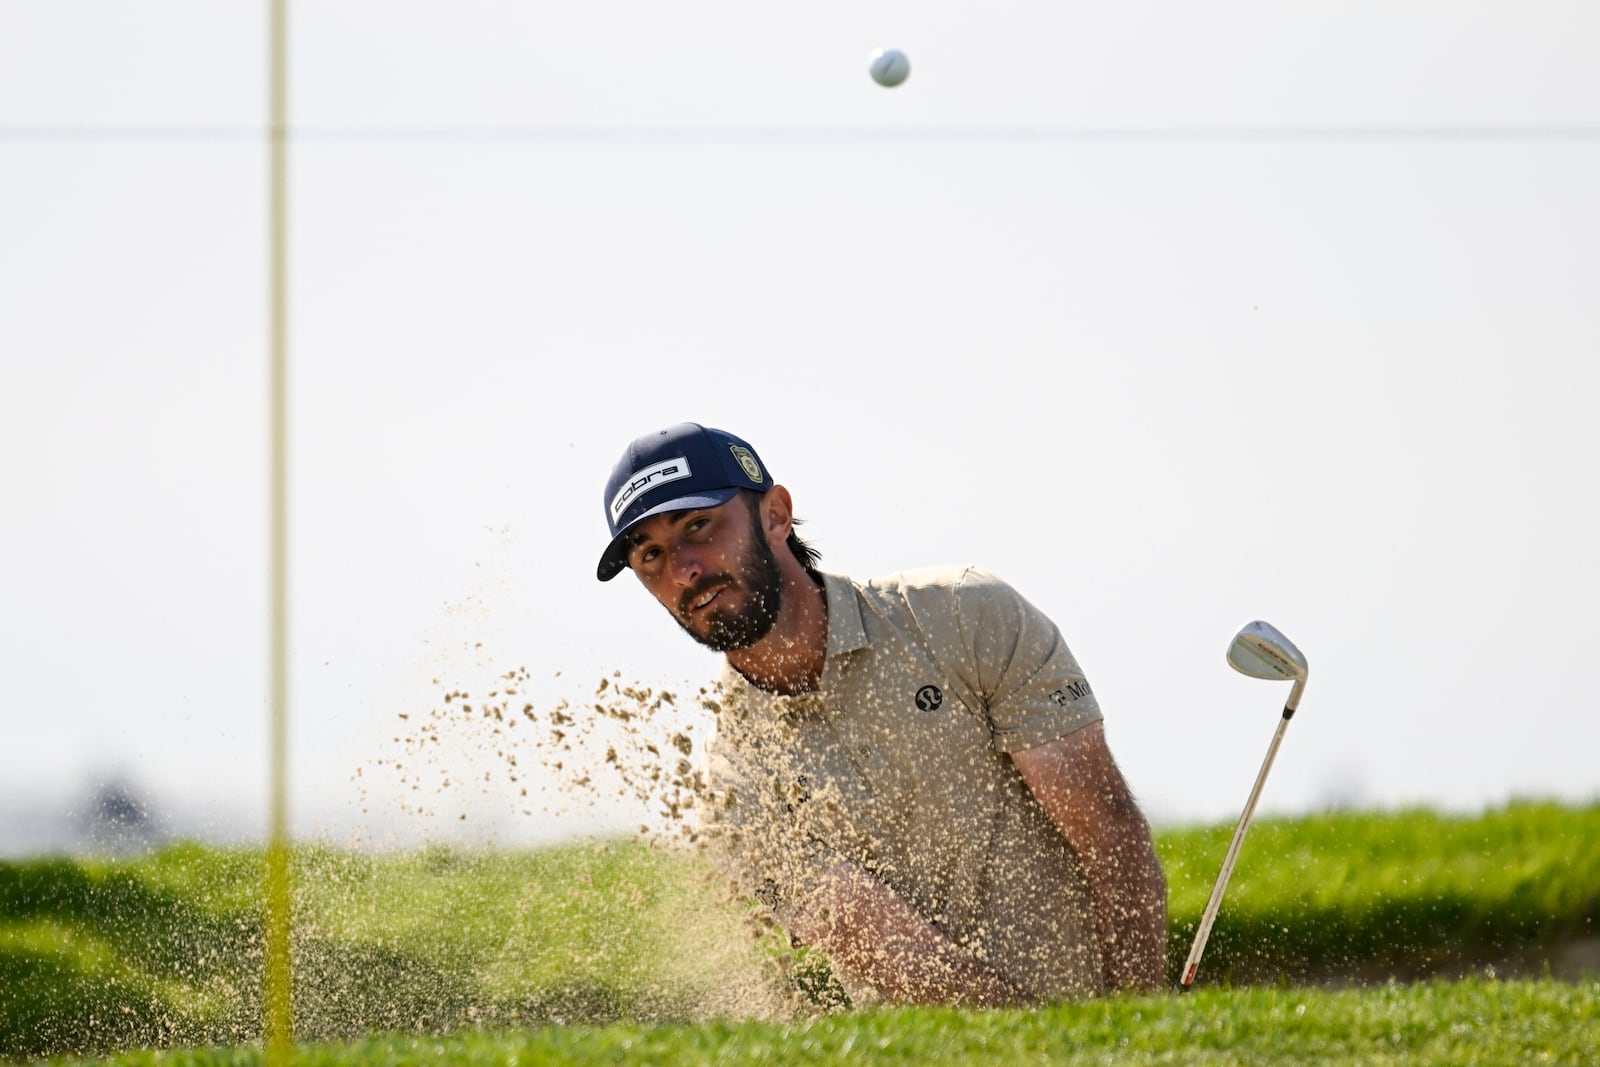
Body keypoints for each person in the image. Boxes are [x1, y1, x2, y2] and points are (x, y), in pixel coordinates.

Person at [597, 422, 1168, 1006]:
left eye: (699, 526)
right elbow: (911, 965)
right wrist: (1055, 1049)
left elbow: (1107, 829)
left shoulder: (963, 614)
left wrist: (1137, 1022)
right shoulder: (735, 787)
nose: (684, 569)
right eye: (651, 555)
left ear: (775, 515)